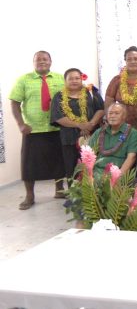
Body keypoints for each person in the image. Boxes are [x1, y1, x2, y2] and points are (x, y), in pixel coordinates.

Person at [10, 51, 66, 209]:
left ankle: (59, 190)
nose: (42, 61)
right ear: (33, 62)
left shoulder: (60, 78)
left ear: (50, 61)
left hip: (56, 127)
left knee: (58, 161)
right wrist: (21, 124)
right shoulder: (24, 80)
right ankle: (30, 195)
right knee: (29, 164)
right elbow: (14, 102)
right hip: (32, 129)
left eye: (45, 59)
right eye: (38, 59)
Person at [51, 68, 105, 181]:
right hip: (69, 138)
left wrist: (90, 124)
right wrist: (80, 125)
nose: (74, 81)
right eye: (70, 79)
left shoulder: (91, 92)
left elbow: (101, 109)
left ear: (81, 79)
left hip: (92, 135)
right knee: (71, 168)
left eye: (77, 78)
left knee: (93, 166)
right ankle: (73, 191)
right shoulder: (58, 96)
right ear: (65, 81)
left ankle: (93, 191)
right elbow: (58, 117)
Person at [104, 46, 137, 140]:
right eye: (129, 59)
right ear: (125, 61)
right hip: (123, 130)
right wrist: (111, 121)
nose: (132, 61)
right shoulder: (117, 80)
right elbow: (109, 103)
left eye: (136, 59)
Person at [86, 103, 137, 180]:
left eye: (117, 113)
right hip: (96, 172)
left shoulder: (133, 133)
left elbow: (131, 158)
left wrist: (117, 178)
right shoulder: (99, 132)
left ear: (124, 116)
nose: (112, 116)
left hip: (118, 173)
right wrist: (88, 175)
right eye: (110, 113)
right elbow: (88, 155)